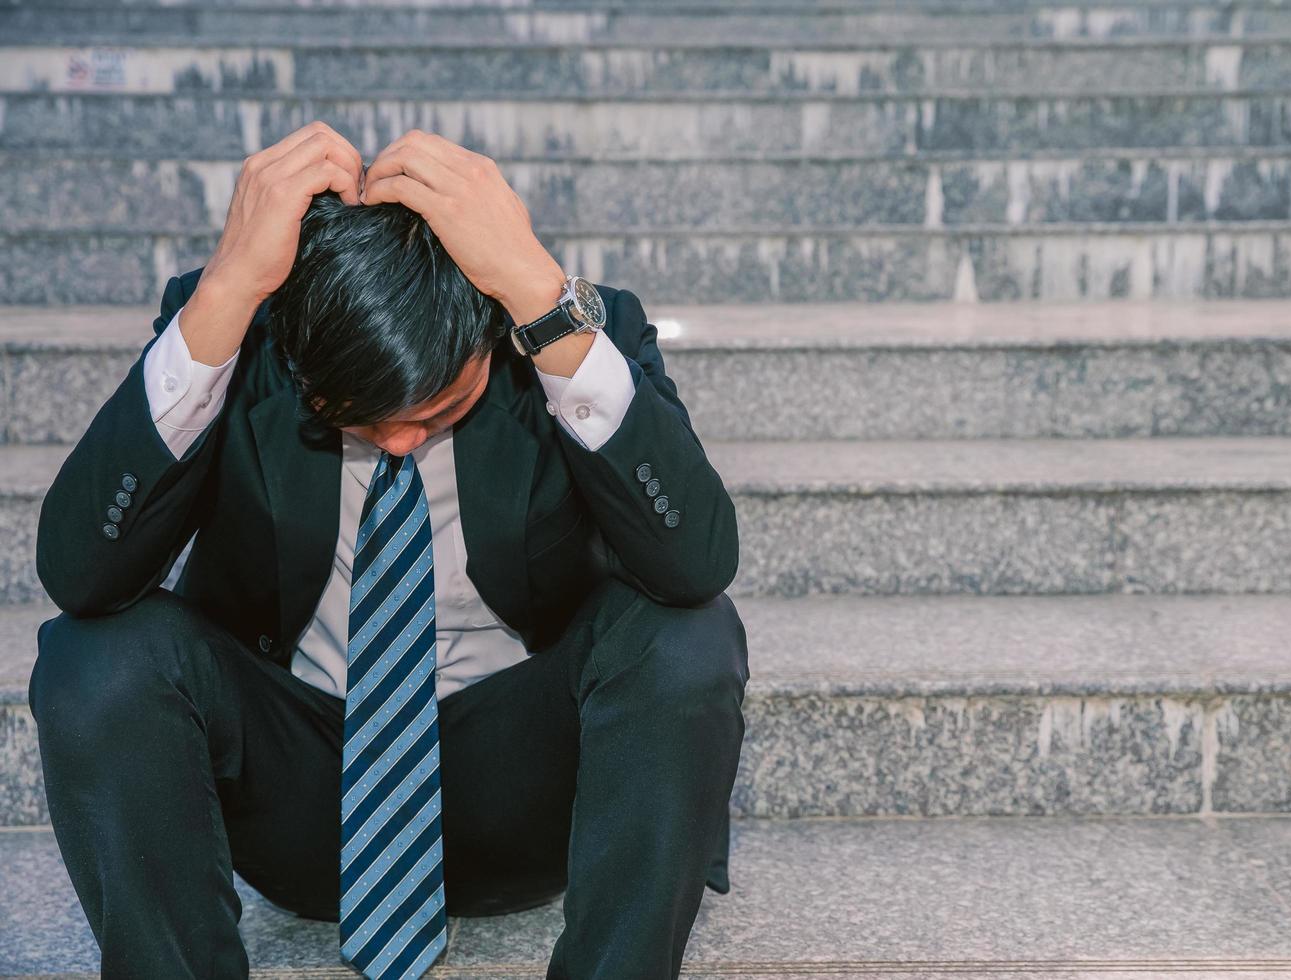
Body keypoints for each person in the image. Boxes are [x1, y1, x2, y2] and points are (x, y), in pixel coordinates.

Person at [26, 121, 750, 980]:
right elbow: (81, 577)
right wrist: (224, 294)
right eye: (361, 416)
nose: (401, 442)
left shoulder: (565, 323)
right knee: (92, 655)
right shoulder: (248, 329)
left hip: (525, 787)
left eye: (438, 407)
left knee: (688, 637)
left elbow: (695, 565)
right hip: (303, 796)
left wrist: (535, 291)